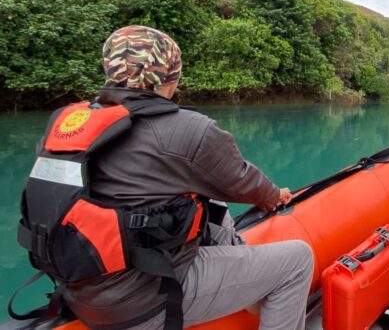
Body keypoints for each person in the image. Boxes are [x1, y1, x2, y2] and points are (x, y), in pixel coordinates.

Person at [15, 25, 313, 330]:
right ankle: (259, 291)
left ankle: (244, 290)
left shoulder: (66, 124)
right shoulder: (188, 129)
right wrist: (275, 195)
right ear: (172, 75)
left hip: (80, 290)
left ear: (110, 68)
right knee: (297, 260)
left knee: (209, 204)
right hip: (144, 297)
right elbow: (246, 183)